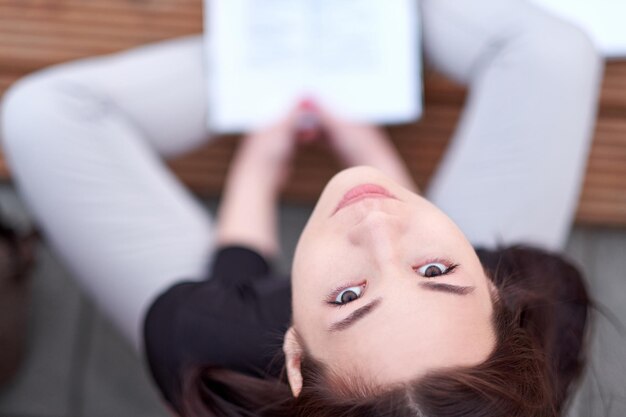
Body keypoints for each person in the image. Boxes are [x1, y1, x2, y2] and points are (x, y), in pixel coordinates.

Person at [0, 0, 599, 415]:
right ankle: (381, 23)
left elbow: (233, 285)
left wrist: (261, 149)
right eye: (436, 273)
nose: (374, 225)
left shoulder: (207, 352)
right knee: (556, 49)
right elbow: (385, 223)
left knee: (38, 114)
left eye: (349, 297)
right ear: (500, 297)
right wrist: (366, 148)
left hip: (223, 335)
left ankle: (268, 55)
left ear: (292, 357)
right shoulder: (543, 302)